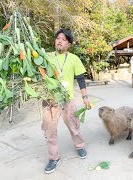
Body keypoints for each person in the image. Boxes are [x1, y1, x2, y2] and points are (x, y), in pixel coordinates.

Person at [42, 28, 91, 174]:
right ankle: (53, 158)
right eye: (58, 38)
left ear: (69, 44)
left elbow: (81, 80)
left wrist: (85, 98)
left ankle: (80, 146)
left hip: (68, 98)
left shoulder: (74, 59)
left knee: (74, 126)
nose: (60, 41)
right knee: (49, 130)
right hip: (50, 100)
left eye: (63, 39)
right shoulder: (46, 57)